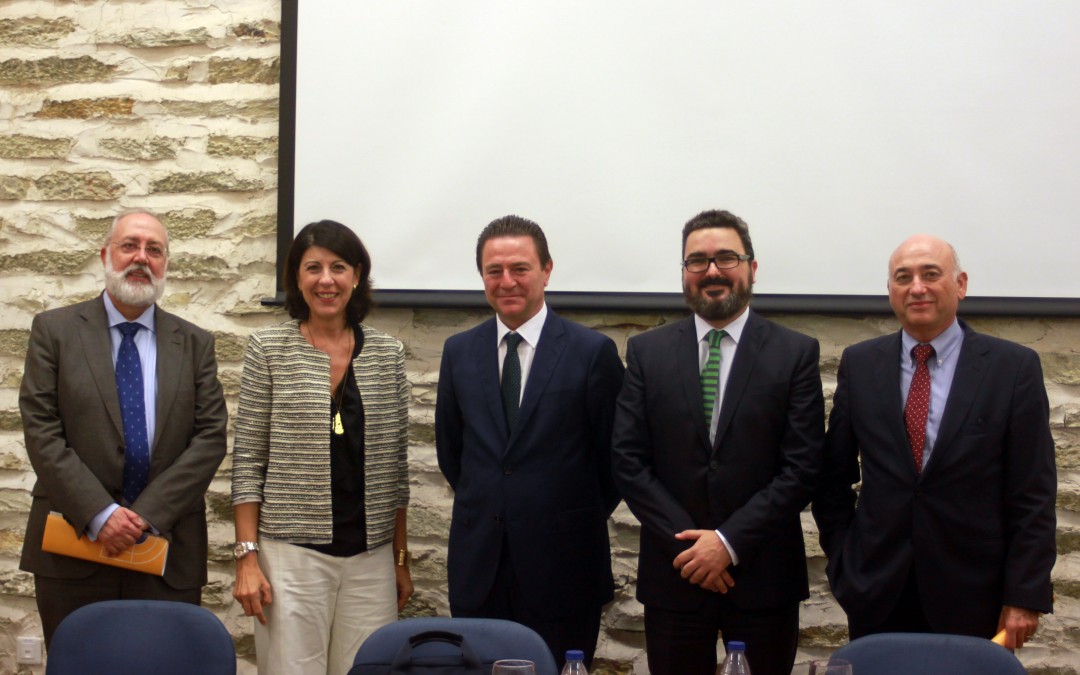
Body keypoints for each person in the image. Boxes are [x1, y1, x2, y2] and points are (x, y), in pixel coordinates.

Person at [812, 234, 1056, 649]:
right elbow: (831, 478)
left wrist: (1023, 595)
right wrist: (844, 564)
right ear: (890, 290)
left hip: (975, 594)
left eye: (931, 274)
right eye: (903, 277)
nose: (917, 287)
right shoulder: (860, 363)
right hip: (877, 590)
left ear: (960, 284)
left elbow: (1032, 491)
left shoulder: (1012, 368)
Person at [611, 209, 824, 675]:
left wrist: (727, 543)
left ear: (752, 267)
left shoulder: (796, 354)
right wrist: (692, 549)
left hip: (763, 578)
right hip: (675, 574)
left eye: (726, 258)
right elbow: (628, 460)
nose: (711, 271)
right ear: (684, 272)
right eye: (697, 261)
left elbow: (803, 468)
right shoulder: (648, 352)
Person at [19, 208, 228, 647]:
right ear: (105, 255)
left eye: (154, 249)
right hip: (73, 547)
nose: (141, 257)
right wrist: (102, 513)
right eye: (129, 245)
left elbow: (209, 438)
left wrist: (145, 516)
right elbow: (41, 429)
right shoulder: (54, 331)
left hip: (165, 549)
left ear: (165, 263)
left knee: (164, 665)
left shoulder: (194, 343)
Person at [435, 215, 624, 668]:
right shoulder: (459, 352)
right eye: (493, 271)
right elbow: (452, 453)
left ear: (546, 270)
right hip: (480, 567)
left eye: (520, 268)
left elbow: (613, 464)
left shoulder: (591, 352)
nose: (507, 282)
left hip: (565, 568)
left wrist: (555, 515)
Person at [231, 220, 412, 675]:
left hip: (370, 560)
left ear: (357, 275)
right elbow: (248, 461)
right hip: (291, 557)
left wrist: (400, 559)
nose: (325, 280)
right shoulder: (267, 349)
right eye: (313, 268)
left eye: (338, 267)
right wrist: (247, 558)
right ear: (296, 277)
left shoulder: (387, 354)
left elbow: (397, 472)